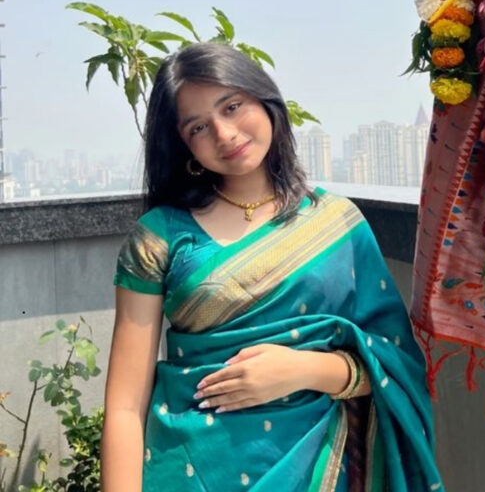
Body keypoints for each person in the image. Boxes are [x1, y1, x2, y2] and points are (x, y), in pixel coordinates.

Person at [101, 42, 442, 491]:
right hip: (193, 470)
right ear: (185, 146)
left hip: (324, 467)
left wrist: (303, 370)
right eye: (199, 126)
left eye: (233, 106)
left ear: (266, 100)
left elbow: (395, 363)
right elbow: (125, 406)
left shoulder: (336, 223)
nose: (224, 133)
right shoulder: (160, 237)